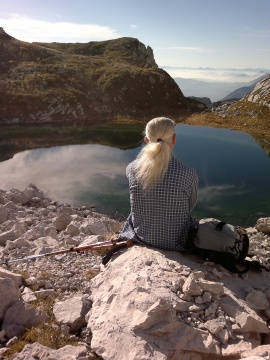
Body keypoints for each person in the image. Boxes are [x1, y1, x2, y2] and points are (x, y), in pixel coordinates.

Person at [120, 117, 198, 252]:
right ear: (174, 139)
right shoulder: (188, 173)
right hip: (178, 243)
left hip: (142, 238)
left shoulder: (132, 169)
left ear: (146, 139)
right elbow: (190, 205)